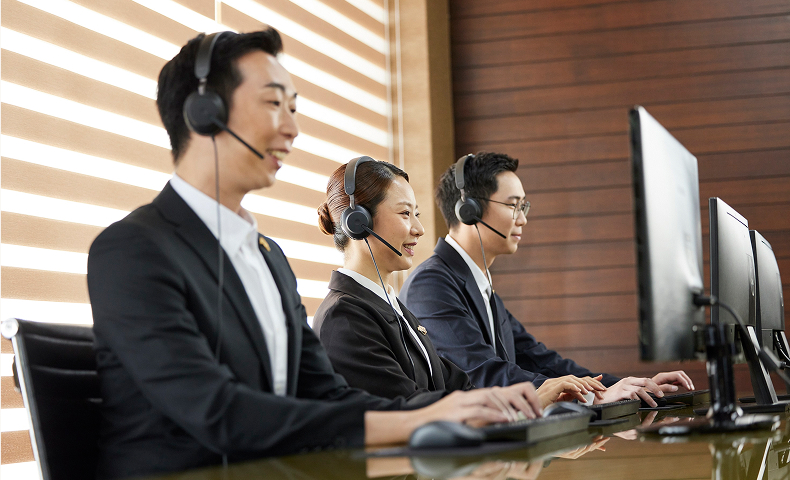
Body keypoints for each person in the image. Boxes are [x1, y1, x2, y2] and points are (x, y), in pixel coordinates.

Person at [87, 30, 543, 480]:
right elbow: (218, 411)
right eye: (274, 103)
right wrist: (424, 419)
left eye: (293, 108)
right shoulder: (132, 251)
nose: (292, 128)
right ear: (205, 112)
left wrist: (462, 408)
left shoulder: (269, 259)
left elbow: (328, 396)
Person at [400, 152, 695, 407]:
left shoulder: (479, 285)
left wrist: (625, 386)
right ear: (469, 211)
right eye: (513, 205)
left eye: (523, 207)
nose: (523, 219)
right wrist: (592, 396)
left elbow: (540, 360)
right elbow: (482, 373)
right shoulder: (431, 285)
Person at [312, 157, 606, 407]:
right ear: (359, 222)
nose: (419, 229)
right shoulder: (344, 317)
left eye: (416, 214)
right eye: (405, 214)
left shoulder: (393, 308)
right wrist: (528, 403)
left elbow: (460, 387)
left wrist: (539, 398)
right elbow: (412, 411)